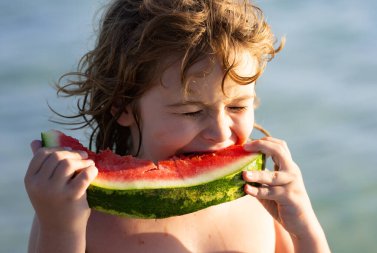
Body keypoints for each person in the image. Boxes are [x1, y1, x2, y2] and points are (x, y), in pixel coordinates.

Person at [24, 0, 330, 252]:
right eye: (192, 111)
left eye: (237, 106)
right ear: (122, 107)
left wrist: (304, 225)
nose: (221, 132)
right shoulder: (77, 213)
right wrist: (60, 229)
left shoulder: (262, 207)